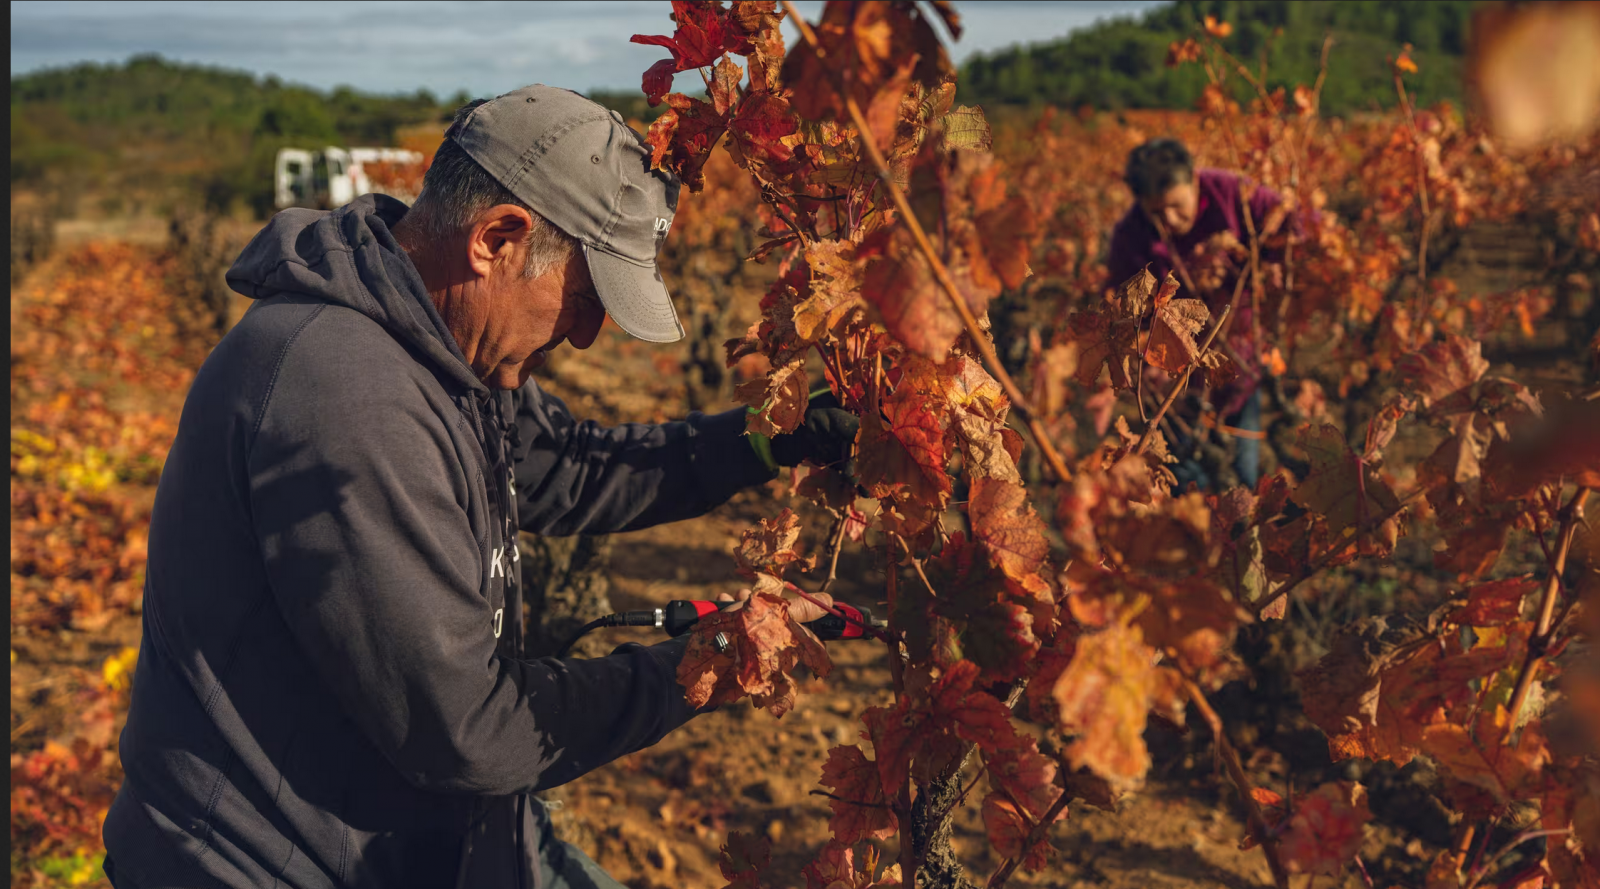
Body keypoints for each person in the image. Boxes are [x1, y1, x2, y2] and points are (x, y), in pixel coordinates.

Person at [102, 85, 857, 889]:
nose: (589, 334)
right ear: (498, 239)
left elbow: (573, 468)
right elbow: (469, 728)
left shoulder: (443, 349)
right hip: (272, 866)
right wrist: (710, 660)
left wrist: (780, 439)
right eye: (586, 296)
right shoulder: (342, 394)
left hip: (423, 842)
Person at [1106, 138, 1291, 491]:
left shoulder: (1231, 191)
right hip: (1178, 380)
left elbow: (1291, 223)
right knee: (1187, 475)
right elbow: (1127, 316)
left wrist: (1275, 267)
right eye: (1157, 213)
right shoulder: (1129, 238)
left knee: (1242, 471)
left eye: (1177, 206)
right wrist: (1145, 362)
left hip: (1241, 357)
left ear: (1194, 180)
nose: (1171, 220)